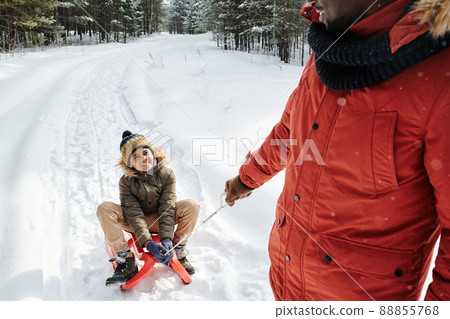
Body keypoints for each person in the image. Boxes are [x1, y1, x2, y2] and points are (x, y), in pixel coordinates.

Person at [225, 0, 449, 300]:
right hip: (287, 281)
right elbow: (291, 134)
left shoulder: (440, 77)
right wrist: (247, 179)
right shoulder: (329, 47)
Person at [97, 131, 200, 286]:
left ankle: (179, 248)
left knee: (191, 205)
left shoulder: (167, 174)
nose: (143, 159)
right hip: (134, 222)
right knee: (105, 208)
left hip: (162, 218)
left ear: (153, 153)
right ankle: (126, 259)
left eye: (145, 153)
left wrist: (166, 239)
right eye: (135, 157)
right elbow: (133, 213)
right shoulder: (126, 181)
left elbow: (168, 206)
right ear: (129, 163)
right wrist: (147, 243)